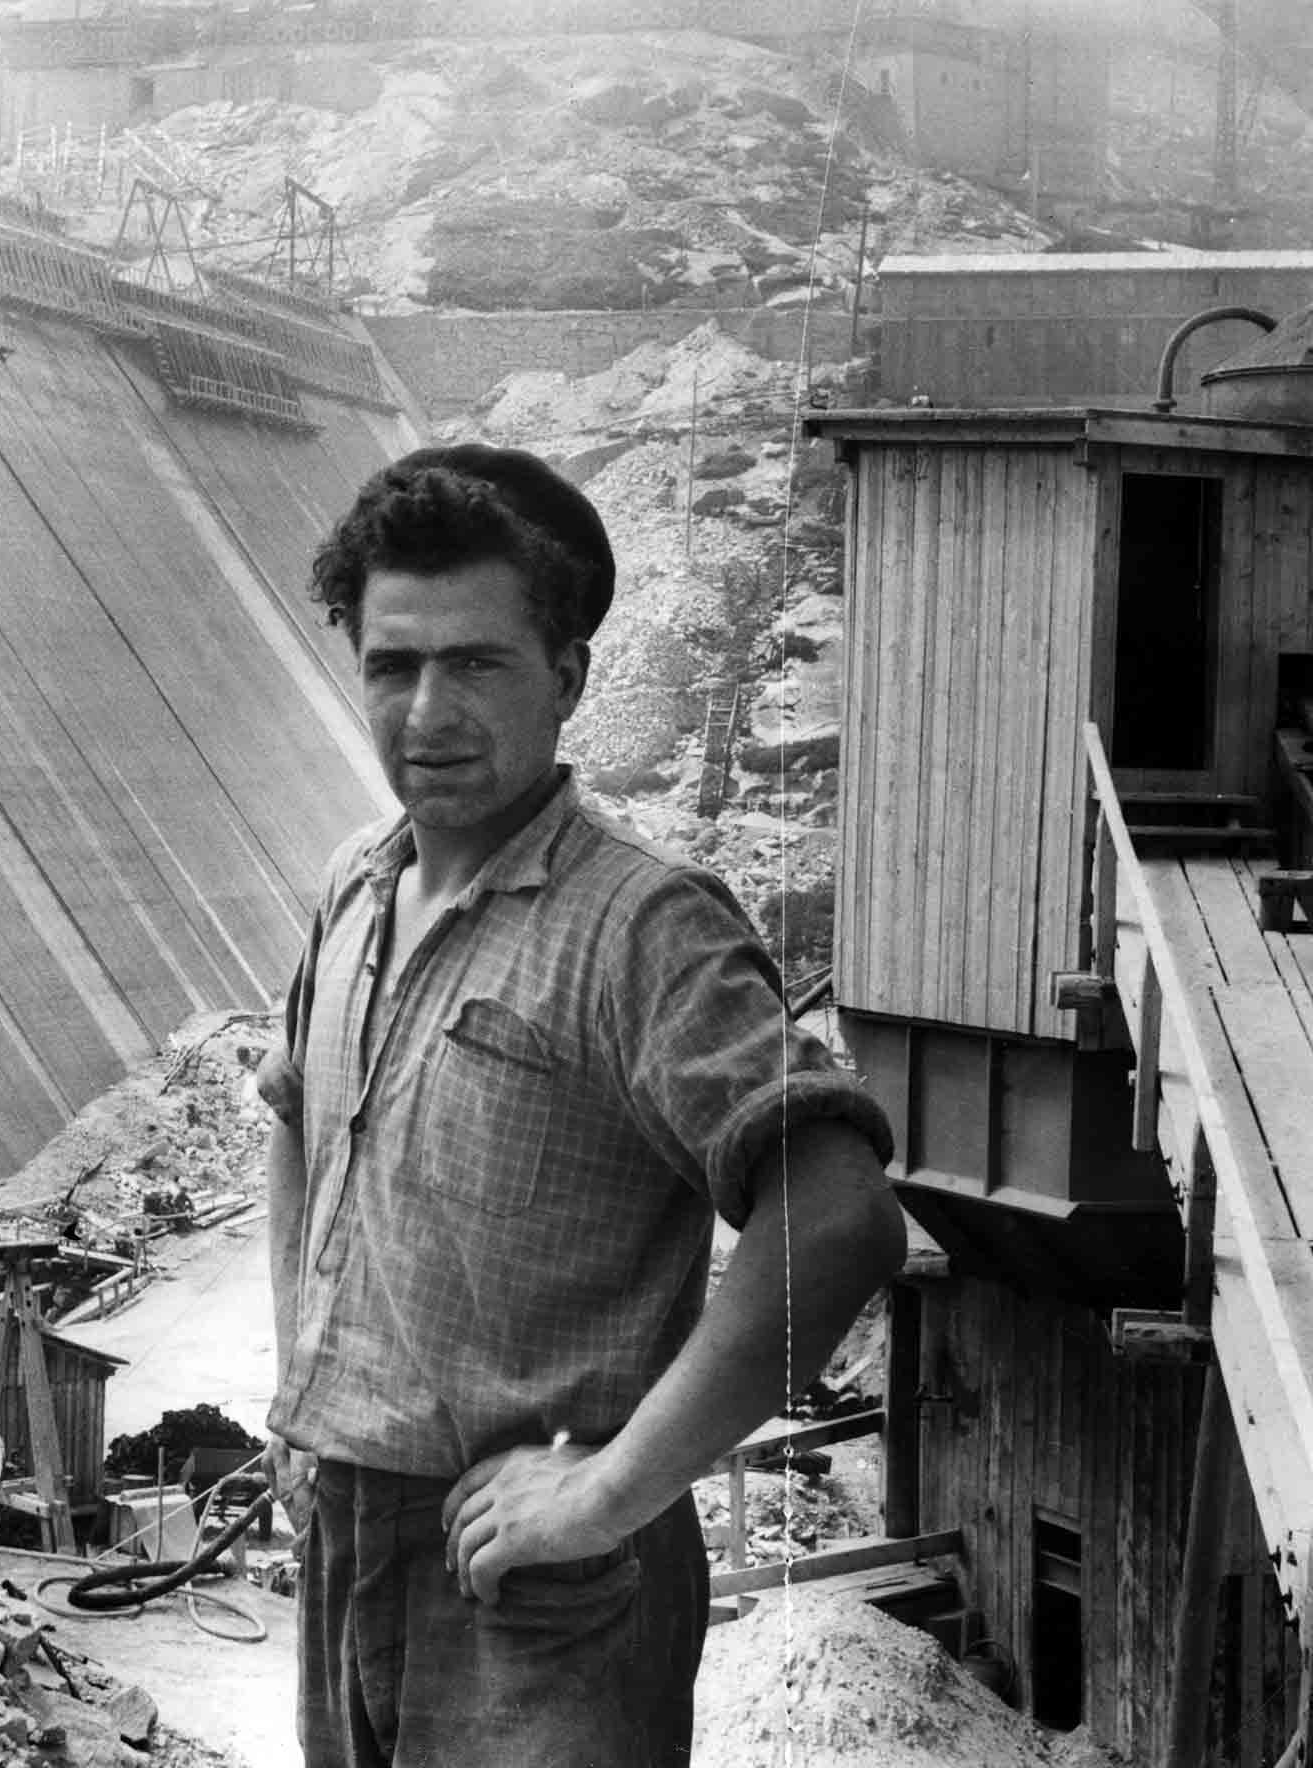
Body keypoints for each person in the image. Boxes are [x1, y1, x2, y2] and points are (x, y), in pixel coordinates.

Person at [258, 443, 904, 1768]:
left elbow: (839, 1216)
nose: (427, 709)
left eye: (478, 662)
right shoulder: (355, 889)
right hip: (344, 1543)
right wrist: (297, 1385)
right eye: (393, 666)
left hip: (545, 1592)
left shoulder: (642, 928)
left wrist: (611, 1493)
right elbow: (293, 1129)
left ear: (567, 676)